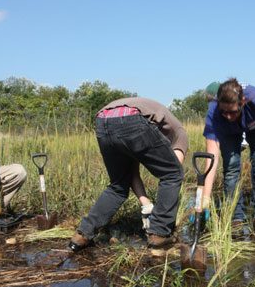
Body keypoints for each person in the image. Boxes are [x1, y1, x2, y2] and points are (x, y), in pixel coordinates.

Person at [68, 97, 188, 251]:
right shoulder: (179, 133)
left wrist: (146, 205)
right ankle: (160, 233)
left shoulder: (150, 126)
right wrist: (159, 217)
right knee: (173, 174)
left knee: (118, 185)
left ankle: (83, 234)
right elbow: (172, 170)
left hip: (102, 120)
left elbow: (132, 173)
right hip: (132, 118)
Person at [201, 78, 255, 236]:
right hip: (230, 131)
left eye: (232, 111)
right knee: (231, 168)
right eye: (224, 111)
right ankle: (236, 218)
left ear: (243, 102)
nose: (228, 116)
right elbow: (211, 158)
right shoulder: (214, 114)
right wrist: (205, 198)